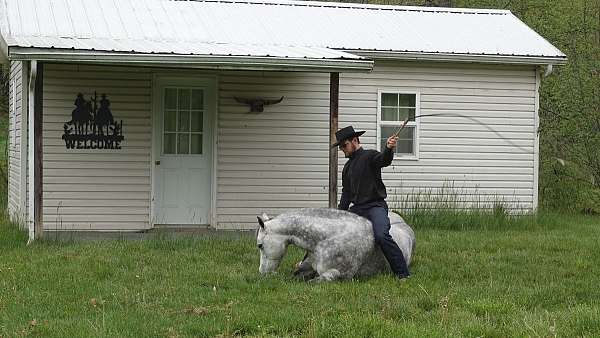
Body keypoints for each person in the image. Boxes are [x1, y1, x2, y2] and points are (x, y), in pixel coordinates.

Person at [332, 125, 410, 280]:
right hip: (357, 210)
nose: (343, 150)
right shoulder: (346, 168)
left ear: (354, 140)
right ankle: (306, 264)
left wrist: (388, 148)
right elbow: (346, 194)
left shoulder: (369, 156)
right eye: (340, 147)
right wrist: (339, 215)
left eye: (344, 146)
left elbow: (384, 160)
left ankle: (402, 273)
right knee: (331, 232)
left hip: (375, 207)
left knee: (381, 235)